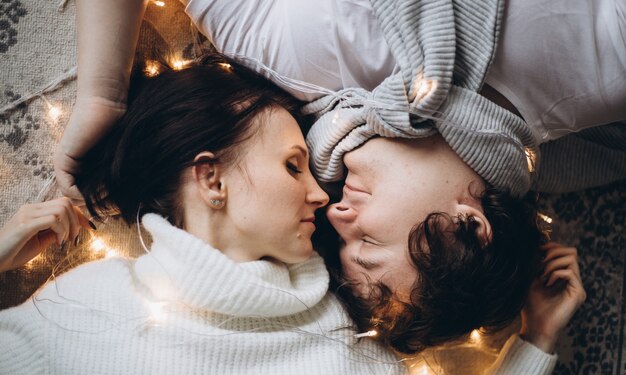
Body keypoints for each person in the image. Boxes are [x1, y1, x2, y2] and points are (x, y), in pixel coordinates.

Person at [0, 55, 584, 375]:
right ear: (211, 179)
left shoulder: (355, 358)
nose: (324, 199)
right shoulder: (90, 302)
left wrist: (534, 344)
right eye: (292, 166)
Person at [52, 0, 615, 352]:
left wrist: (101, 94)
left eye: (339, 238)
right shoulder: (603, 66)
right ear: (471, 224)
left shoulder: (296, 71)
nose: (336, 210)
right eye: (368, 240)